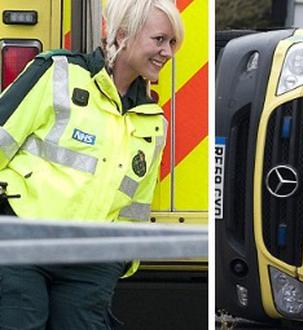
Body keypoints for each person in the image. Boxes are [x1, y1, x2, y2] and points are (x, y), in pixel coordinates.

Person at [0, 0, 183, 328]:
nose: (167, 52)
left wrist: (116, 260)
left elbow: (135, 207)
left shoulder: (153, 122)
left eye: (172, 43)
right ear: (122, 35)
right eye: (159, 40)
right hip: (22, 245)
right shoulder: (57, 73)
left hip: (90, 262)